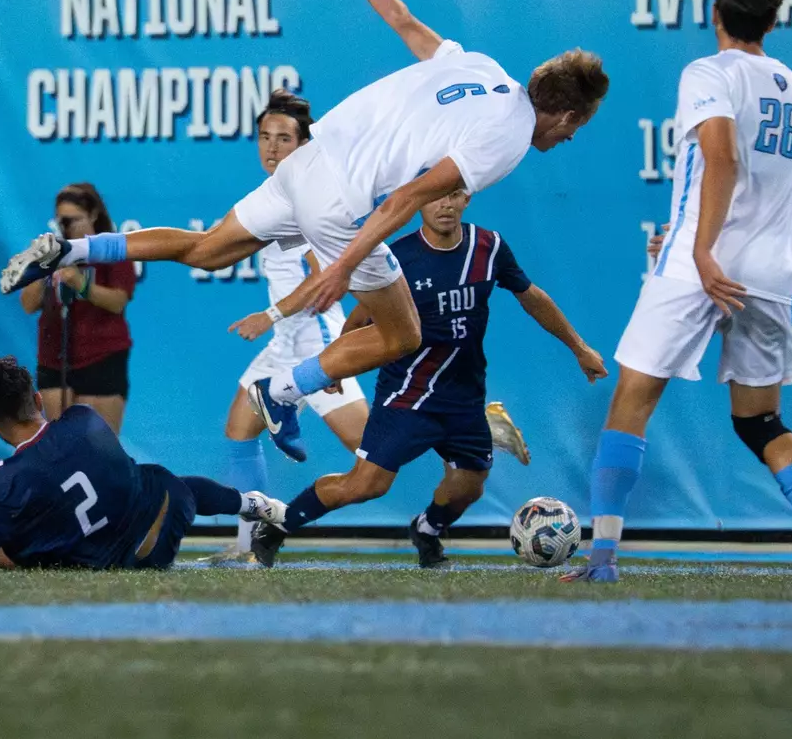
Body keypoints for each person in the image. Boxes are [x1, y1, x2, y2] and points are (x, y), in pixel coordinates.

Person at [2, 0, 607, 465]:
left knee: (206, 248)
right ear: (566, 113)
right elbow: (404, 201)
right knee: (404, 335)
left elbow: (400, 19)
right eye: (579, 126)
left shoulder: (482, 68)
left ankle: (69, 253)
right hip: (340, 200)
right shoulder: (510, 138)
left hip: (307, 163)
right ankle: (282, 389)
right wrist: (341, 268)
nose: (574, 137)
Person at [563, 0, 792, 586]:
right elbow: (788, 192)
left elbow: (722, 157)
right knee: (760, 421)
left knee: (632, 401)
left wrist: (697, 247)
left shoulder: (710, 72)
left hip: (705, 263)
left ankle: (602, 560)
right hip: (771, 269)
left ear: (716, 15)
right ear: (773, 23)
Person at [246, 187, 607, 569]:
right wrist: (335, 365)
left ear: (467, 199)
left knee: (469, 486)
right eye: (437, 196)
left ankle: (427, 529)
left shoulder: (489, 246)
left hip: (465, 397)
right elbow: (362, 316)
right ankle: (280, 524)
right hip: (408, 397)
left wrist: (579, 348)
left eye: (456, 195)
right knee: (365, 485)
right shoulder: (398, 256)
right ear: (419, 201)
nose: (446, 204)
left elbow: (531, 296)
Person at [0, 357, 286, 570]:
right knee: (158, 479)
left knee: (17, 541)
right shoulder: (84, 420)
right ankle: (257, 505)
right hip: (168, 512)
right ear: (38, 399)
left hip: (127, 561)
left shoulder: (3, 482)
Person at [208, 91, 371, 565]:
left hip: (311, 339)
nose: (272, 147)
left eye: (284, 138)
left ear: (304, 145)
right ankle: (247, 546)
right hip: (286, 342)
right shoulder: (279, 193)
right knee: (239, 430)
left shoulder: (308, 199)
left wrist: (270, 315)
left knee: (374, 449)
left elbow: (326, 279)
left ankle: (474, 424)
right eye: (264, 137)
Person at [18, 183, 135, 432]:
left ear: (93, 215)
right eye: (61, 221)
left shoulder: (112, 249)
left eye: (73, 220)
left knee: (99, 448)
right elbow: (28, 304)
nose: (66, 227)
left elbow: (117, 301)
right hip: (55, 358)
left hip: (101, 355)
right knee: (61, 446)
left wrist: (81, 283)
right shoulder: (52, 251)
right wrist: (43, 267)